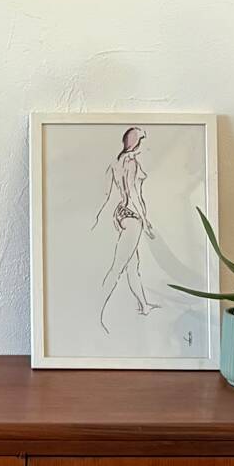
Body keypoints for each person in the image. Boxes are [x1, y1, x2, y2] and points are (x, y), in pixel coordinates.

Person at [92, 126, 158, 331]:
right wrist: (145, 221)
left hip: (122, 215)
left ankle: (144, 305)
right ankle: (95, 314)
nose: (145, 144)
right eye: (143, 140)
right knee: (118, 267)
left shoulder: (116, 162)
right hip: (133, 218)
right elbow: (133, 194)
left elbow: (106, 193)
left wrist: (109, 216)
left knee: (132, 266)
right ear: (136, 142)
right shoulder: (131, 162)